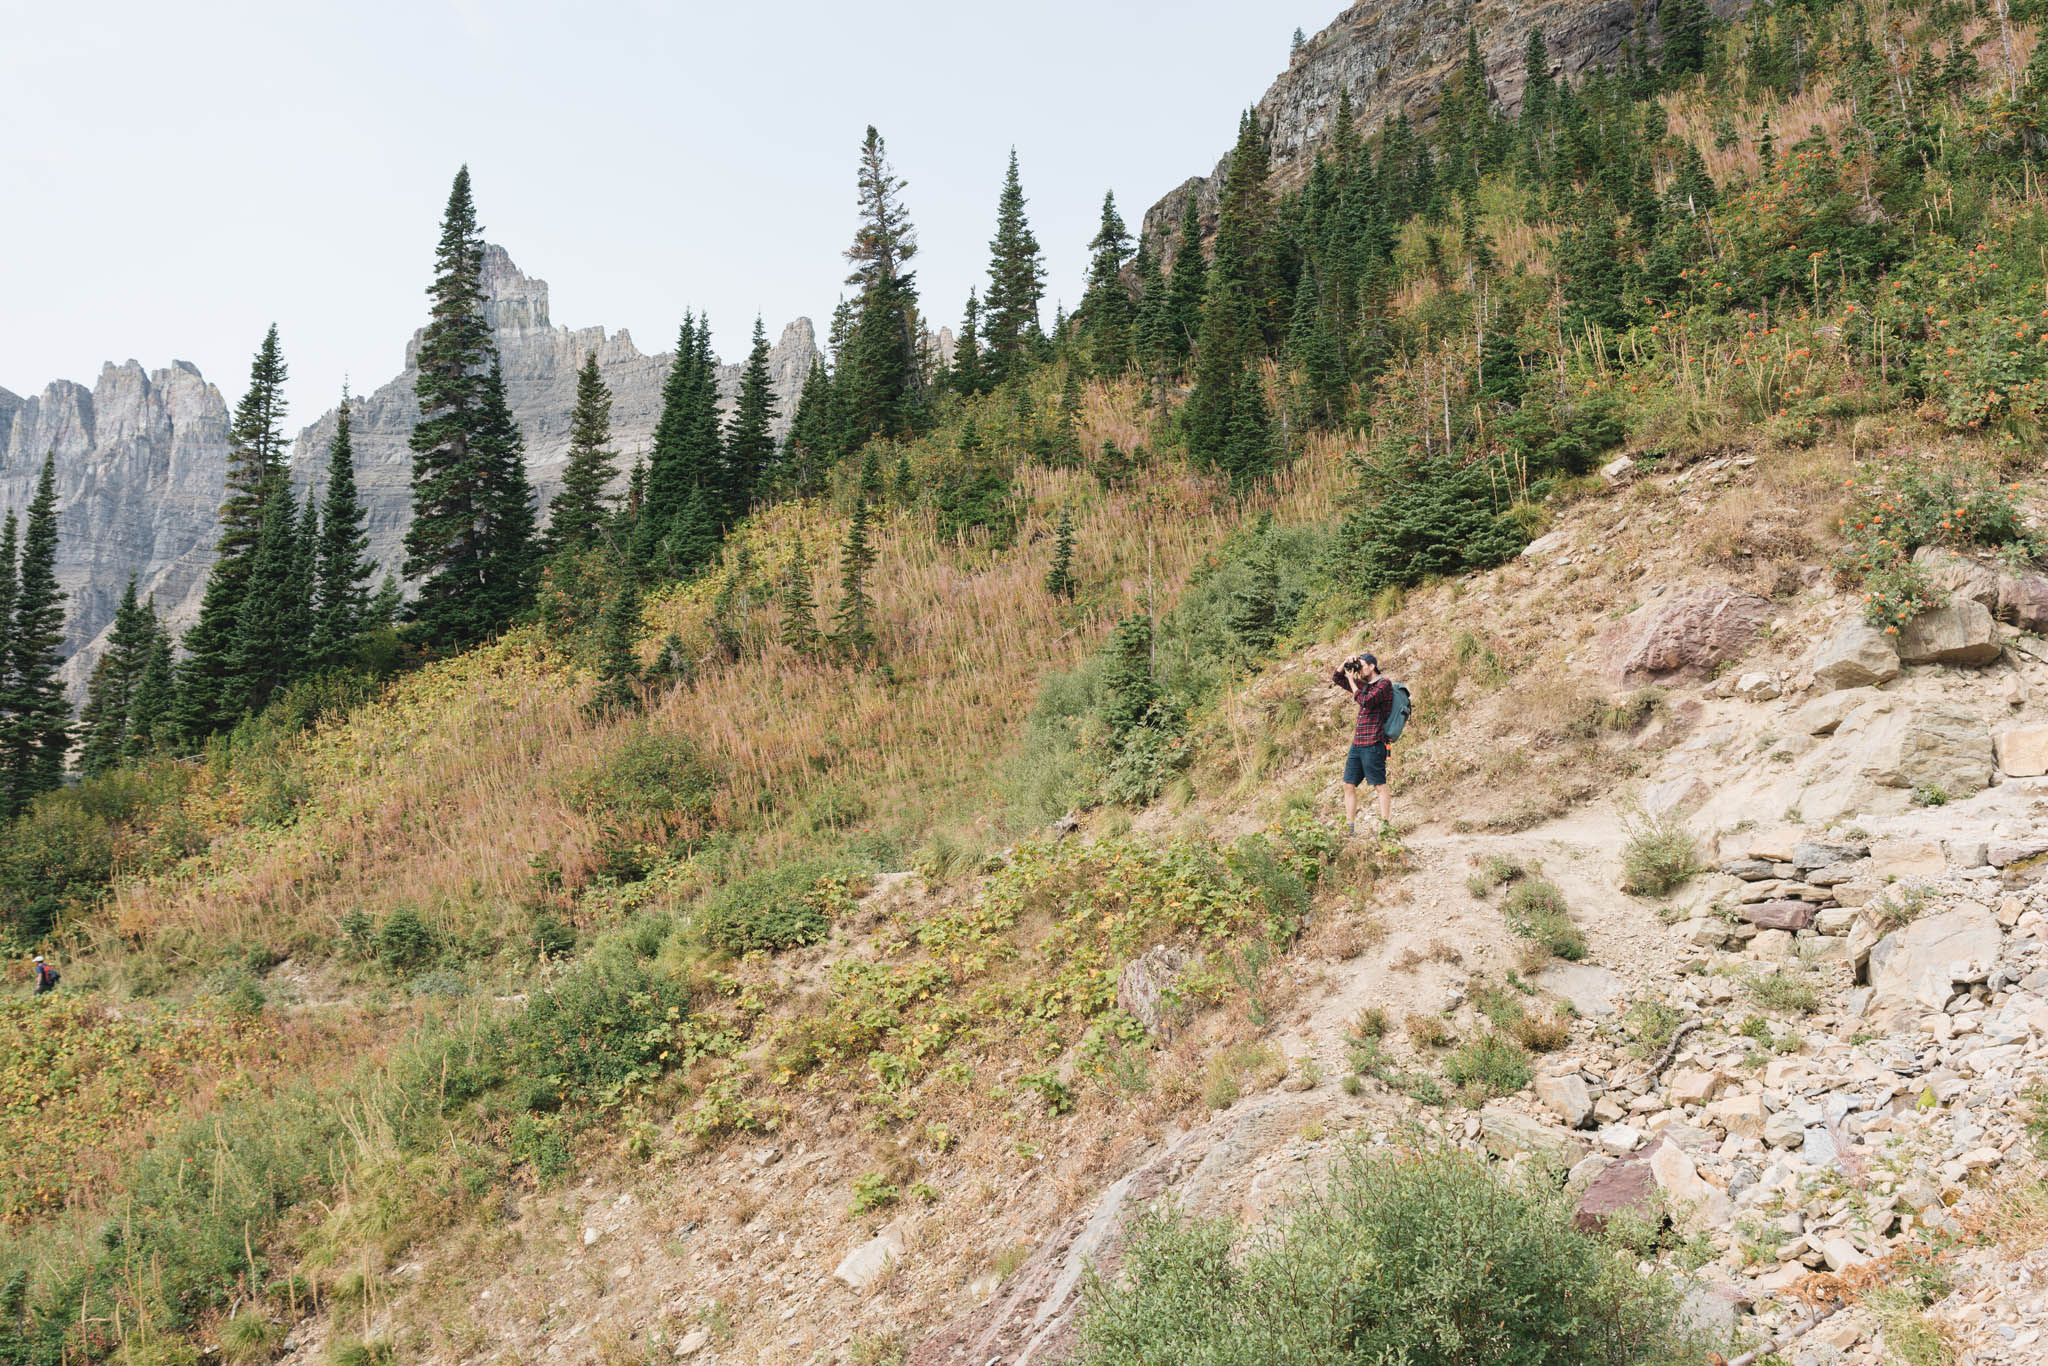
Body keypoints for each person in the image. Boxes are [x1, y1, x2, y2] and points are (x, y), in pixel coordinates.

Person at [1330, 653, 1393, 835]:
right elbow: (1337, 677)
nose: (1360, 669)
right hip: (1358, 744)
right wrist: (1346, 663)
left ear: (1372, 667)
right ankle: (1350, 828)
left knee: (1379, 785)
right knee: (1348, 784)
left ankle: (1385, 826)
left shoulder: (1384, 684)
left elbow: (1366, 701)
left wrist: (1351, 680)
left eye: (1362, 665)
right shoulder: (1364, 686)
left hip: (1374, 742)